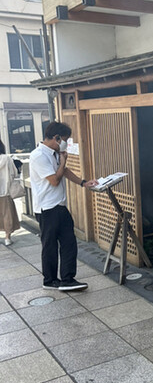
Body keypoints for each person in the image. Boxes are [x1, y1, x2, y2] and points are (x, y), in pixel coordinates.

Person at [30, 121, 98, 291]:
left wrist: (83, 183)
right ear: (57, 137)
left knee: (69, 243)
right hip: (47, 208)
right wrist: (62, 162)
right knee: (50, 245)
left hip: (59, 205)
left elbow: (65, 172)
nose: (65, 143)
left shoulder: (54, 153)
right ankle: (50, 280)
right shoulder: (38, 156)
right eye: (65, 140)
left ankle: (68, 279)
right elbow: (54, 180)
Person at [0, 138, 20, 246]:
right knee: (7, 214)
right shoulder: (7, 159)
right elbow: (14, 173)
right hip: (5, 191)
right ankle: (7, 238)